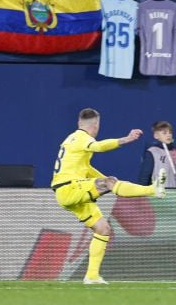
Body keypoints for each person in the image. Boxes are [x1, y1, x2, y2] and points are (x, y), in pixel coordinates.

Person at [51, 108, 167, 284]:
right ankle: (153, 190)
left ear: (79, 122)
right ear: (96, 125)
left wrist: (109, 181)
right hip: (69, 188)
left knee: (103, 229)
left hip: (68, 191)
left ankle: (92, 276)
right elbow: (98, 147)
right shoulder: (82, 138)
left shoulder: (71, 140)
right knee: (110, 183)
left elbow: (87, 170)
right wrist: (126, 139)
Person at [137, 120, 176, 188]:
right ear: (156, 136)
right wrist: (141, 191)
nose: (168, 135)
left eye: (170, 132)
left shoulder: (174, 152)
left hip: (173, 192)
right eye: (164, 133)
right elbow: (144, 176)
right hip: (157, 192)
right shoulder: (152, 152)